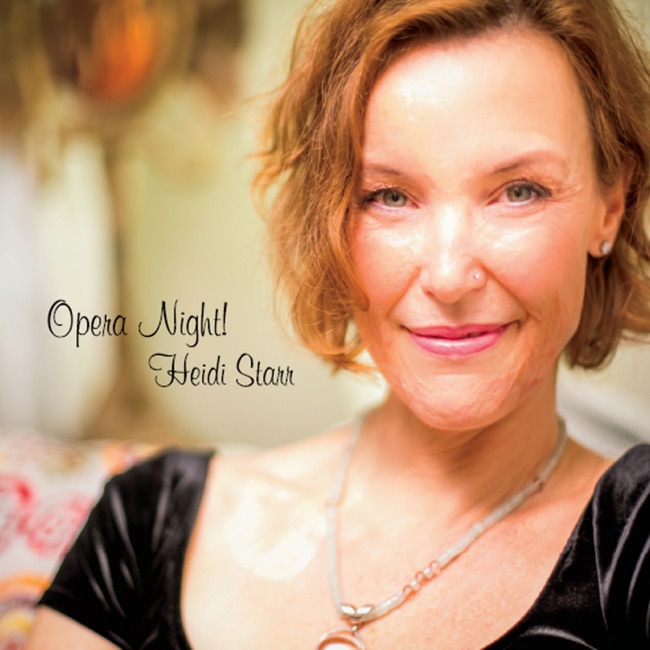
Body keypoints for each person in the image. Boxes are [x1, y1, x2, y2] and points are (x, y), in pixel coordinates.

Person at [26, 0, 650, 648]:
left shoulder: (635, 543)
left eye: (519, 190)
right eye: (390, 196)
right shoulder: (146, 523)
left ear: (610, 204)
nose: (448, 275)